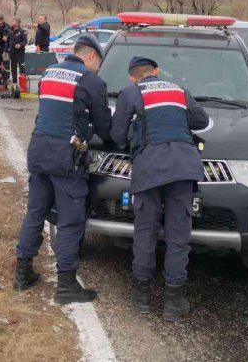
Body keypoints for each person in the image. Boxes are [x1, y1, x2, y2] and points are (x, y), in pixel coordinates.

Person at [13, 34, 112, 304]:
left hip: (39, 150)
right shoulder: (90, 80)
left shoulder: (50, 73)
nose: (98, 69)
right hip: (67, 158)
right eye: (99, 64)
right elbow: (104, 127)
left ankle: (22, 273)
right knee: (70, 220)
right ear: (91, 56)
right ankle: (67, 286)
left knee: (35, 211)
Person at [110, 56, 210, 322]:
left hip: (149, 171)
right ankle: (173, 304)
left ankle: (141, 298)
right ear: (156, 72)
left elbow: (117, 136)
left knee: (146, 232)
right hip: (183, 169)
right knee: (178, 237)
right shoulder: (179, 90)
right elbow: (201, 122)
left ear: (132, 76)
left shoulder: (130, 93)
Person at [9, 18, 28, 88]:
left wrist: (20, 45)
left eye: (13, 21)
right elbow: (8, 41)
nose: (12, 22)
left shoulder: (22, 31)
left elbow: (25, 41)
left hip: (20, 52)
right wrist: (5, 50)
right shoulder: (10, 31)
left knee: (21, 67)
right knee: (13, 68)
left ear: (17, 23)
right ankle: (14, 83)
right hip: (12, 52)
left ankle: (23, 85)